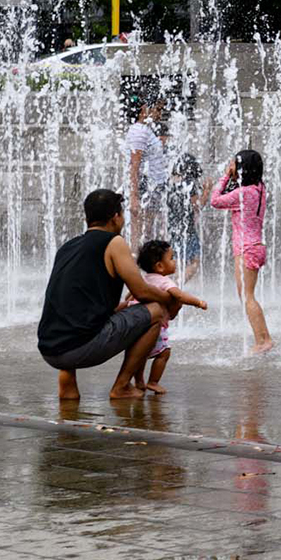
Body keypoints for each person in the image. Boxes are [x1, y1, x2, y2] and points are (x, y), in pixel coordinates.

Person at [37, 190, 176, 400]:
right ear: (116, 216)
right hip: (80, 348)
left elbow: (71, 298)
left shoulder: (68, 246)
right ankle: (121, 386)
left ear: (87, 218)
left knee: (82, 316)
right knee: (155, 311)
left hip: (49, 347)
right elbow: (142, 291)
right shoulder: (114, 242)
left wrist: (117, 308)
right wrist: (170, 298)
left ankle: (68, 380)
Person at [121, 239, 208, 394]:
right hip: (153, 323)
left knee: (139, 354)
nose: (175, 261)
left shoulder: (143, 280)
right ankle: (153, 382)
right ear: (160, 266)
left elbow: (129, 297)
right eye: (172, 258)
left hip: (136, 320)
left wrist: (118, 309)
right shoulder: (164, 281)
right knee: (164, 352)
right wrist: (198, 302)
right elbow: (179, 296)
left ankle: (139, 381)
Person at [210, 150, 275, 354]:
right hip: (256, 246)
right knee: (248, 295)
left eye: (234, 165)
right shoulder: (259, 189)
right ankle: (264, 338)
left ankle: (263, 341)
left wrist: (226, 176)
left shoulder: (242, 194)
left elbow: (215, 200)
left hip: (246, 249)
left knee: (247, 296)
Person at [123, 97, 167, 243]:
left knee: (147, 234)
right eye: (158, 109)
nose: (160, 115)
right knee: (140, 234)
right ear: (144, 109)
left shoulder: (144, 130)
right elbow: (134, 166)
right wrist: (134, 197)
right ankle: (134, 264)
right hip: (145, 188)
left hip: (152, 188)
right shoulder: (139, 131)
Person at [166, 154, 205, 283]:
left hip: (172, 227)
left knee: (177, 261)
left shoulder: (172, 182)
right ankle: (174, 286)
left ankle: (170, 285)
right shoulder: (189, 183)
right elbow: (197, 206)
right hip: (187, 230)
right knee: (195, 262)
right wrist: (207, 191)